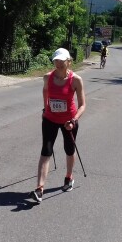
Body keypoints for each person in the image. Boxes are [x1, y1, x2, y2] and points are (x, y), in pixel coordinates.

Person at [30, 48, 86, 203]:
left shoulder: (76, 80)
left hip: (69, 121)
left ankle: (69, 177)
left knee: (69, 149)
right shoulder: (47, 77)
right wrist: (45, 107)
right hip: (50, 118)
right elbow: (45, 92)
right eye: (56, 60)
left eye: (62, 61)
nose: (59, 63)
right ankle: (39, 188)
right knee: (46, 151)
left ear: (69, 61)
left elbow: (82, 105)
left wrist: (74, 120)